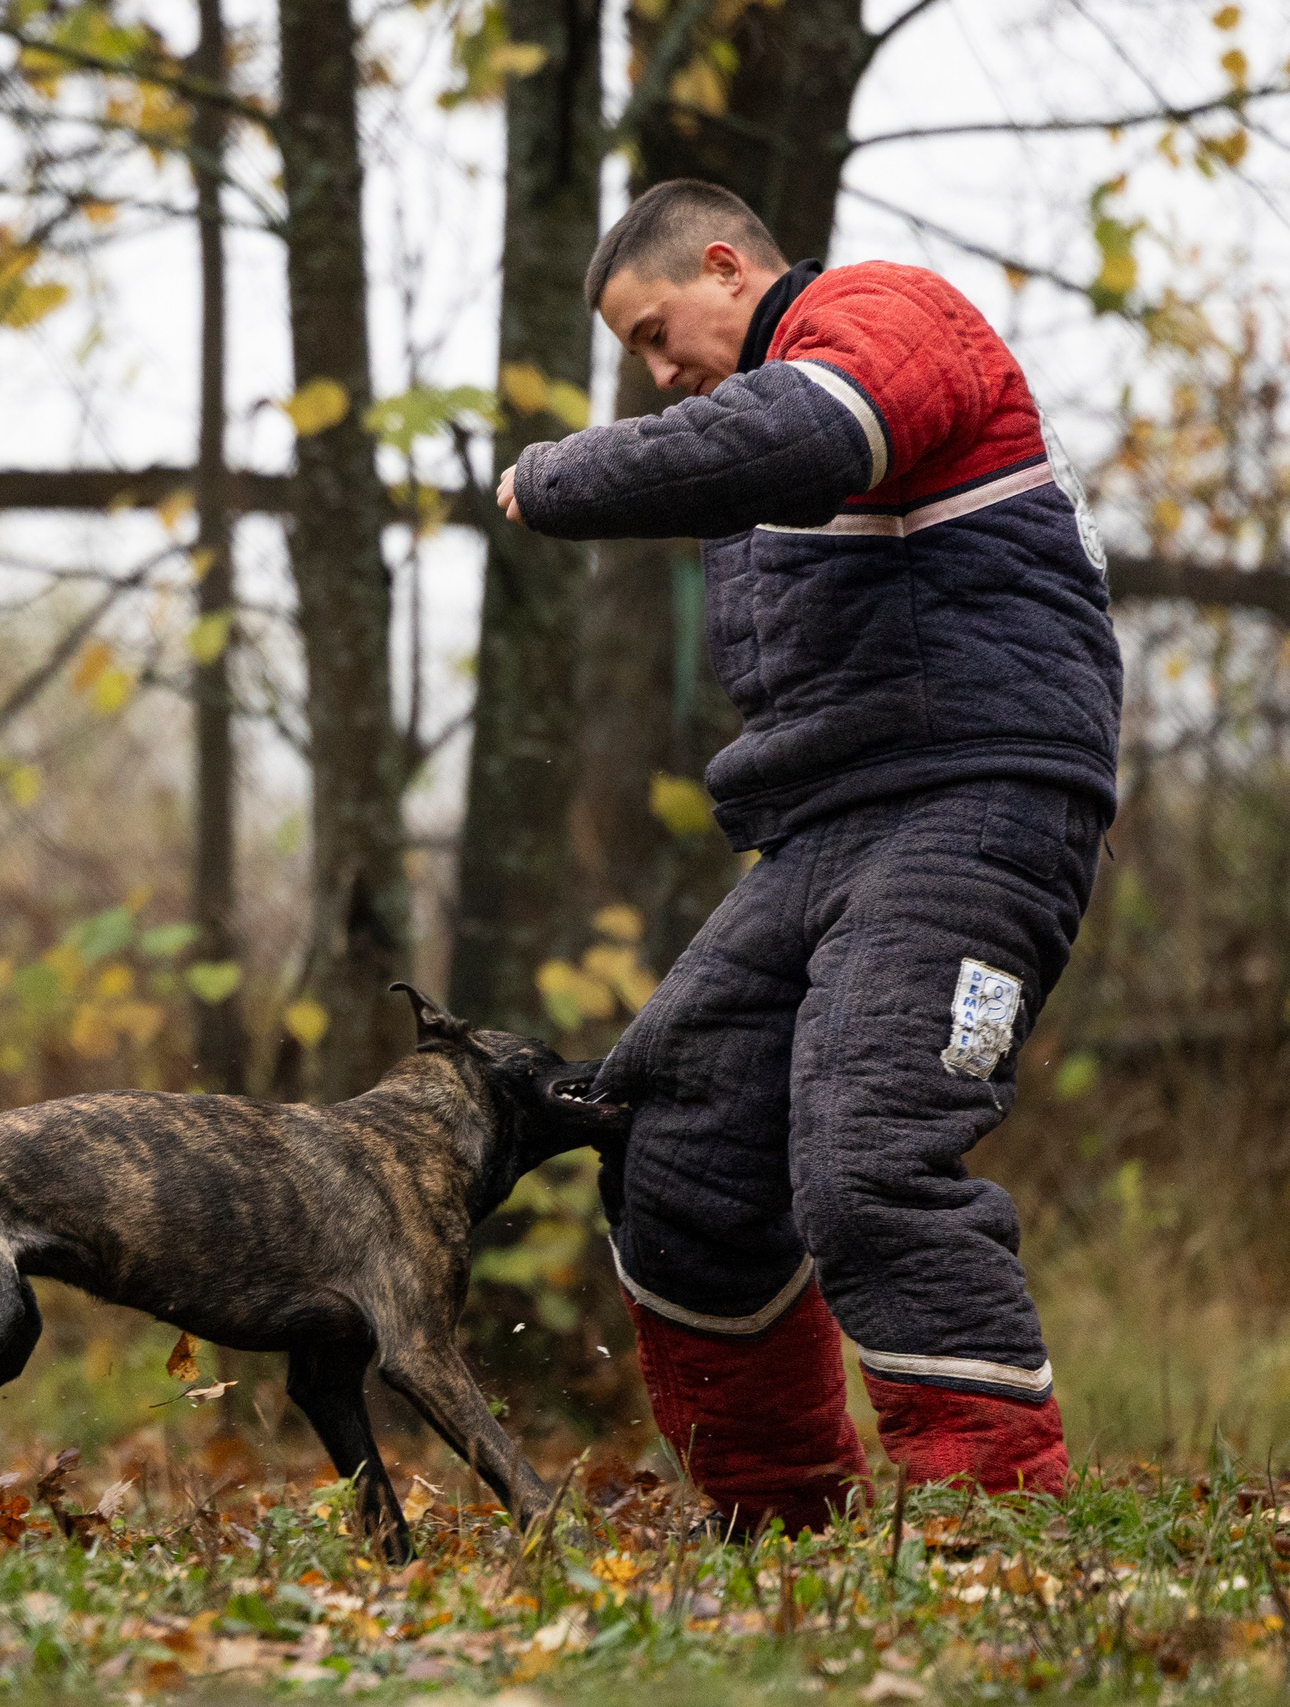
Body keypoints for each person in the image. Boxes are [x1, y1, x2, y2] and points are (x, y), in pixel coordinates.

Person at [496, 179, 1123, 1532]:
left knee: (867, 1150)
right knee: (677, 1132)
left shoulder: (884, 317)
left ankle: (993, 1526)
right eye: (640, 363)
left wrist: (557, 473)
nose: (661, 378)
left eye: (661, 335)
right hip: (828, 832)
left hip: (981, 799)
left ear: (730, 268)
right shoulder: (762, 451)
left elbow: (804, 435)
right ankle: (777, 1518)